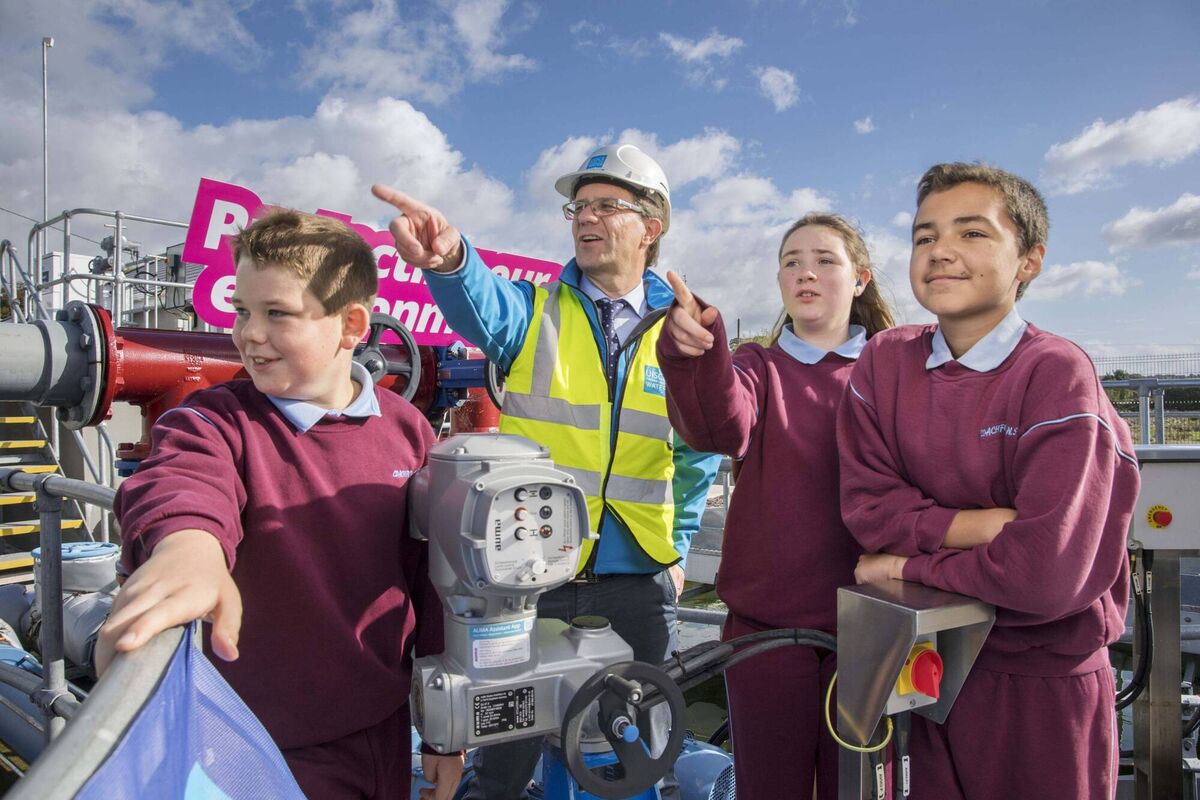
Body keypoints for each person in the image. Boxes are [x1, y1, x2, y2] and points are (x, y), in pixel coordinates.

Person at [372, 143, 721, 799]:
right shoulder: (535, 311)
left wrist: (676, 551)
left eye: (606, 206)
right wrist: (450, 260)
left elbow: (698, 447)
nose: (586, 218)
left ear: (650, 227)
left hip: (639, 580)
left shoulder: (679, 327)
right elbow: (479, 304)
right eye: (578, 207)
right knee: (502, 763)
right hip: (526, 582)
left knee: (632, 760)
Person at [96, 210, 464, 800]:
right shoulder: (213, 421)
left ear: (350, 325)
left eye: (277, 314)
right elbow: (182, 486)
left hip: (384, 733)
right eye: (242, 311)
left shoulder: (409, 432)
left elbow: (434, 584)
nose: (249, 334)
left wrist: (446, 733)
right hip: (254, 741)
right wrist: (187, 549)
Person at [839, 163, 1140, 800]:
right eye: (925, 236)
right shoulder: (885, 362)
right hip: (924, 673)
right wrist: (978, 527)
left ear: (1029, 261)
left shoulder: (1056, 375)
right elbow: (867, 510)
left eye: (972, 233)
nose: (941, 250)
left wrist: (905, 567)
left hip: (1038, 681)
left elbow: (1044, 574)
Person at [658, 212, 894, 798]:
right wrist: (697, 356)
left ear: (861, 278)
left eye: (824, 260)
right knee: (770, 785)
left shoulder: (897, 368)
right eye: (791, 261)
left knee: (860, 786)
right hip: (766, 634)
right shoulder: (756, 367)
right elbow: (720, 425)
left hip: (876, 629)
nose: (805, 273)